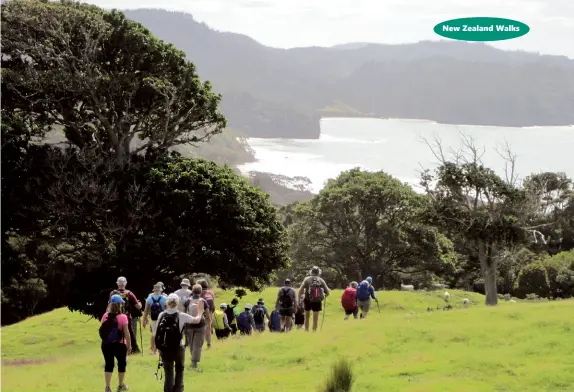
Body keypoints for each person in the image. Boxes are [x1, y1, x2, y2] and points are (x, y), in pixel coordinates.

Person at [155, 293, 203, 392]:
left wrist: (156, 347)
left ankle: (168, 390)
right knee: (179, 370)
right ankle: (178, 390)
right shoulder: (181, 315)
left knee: (168, 372)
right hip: (178, 347)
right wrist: (200, 312)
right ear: (178, 303)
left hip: (165, 348)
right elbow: (196, 321)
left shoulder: (161, 315)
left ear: (166, 303)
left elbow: (156, 333)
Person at [100, 294, 131, 392]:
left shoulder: (105, 315)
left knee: (108, 364)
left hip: (106, 344)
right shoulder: (123, 317)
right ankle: (121, 385)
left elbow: (104, 330)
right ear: (119, 304)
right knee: (122, 364)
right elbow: (126, 333)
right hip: (120, 344)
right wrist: (129, 346)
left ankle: (107, 387)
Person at [109, 276, 142, 354]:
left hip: (114, 316)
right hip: (126, 316)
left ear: (117, 283)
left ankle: (114, 349)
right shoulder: (129, 293)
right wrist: (140, 303)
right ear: (125, 283)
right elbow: (138, 307)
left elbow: (109, 304)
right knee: (129, 332)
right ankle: (134, 349)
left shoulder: (113, 293)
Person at [184, 284, 210, 370]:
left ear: (192, 291)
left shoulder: (188, 301)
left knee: (191, 343)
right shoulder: (203, 301)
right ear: (201, 291)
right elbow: (208, 315)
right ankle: (194, 362)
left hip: (189, 324)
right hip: (200, 324)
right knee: (198, 344)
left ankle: (193, 360)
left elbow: (184, 314)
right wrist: (209, 325)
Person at [298, 266, 331, 332]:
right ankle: (314, 331)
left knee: (307, 316)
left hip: (307, 300)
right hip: (317, 301)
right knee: (315, 317)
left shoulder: (307, 279)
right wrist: (322, 296)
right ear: (319, 272)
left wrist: (299, 300)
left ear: (311, 272)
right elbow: (327, 292)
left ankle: (306, 330)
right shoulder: (321, 280)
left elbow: (300, 290)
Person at [143, 283, 168, 354]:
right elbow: (167, 309)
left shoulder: (149, 299)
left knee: (154, 334)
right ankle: (161, 349)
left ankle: (153, 350)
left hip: (153, 318)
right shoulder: (165, 298)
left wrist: (144, 320)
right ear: (161, 290)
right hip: (163, 318)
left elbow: (146, 310)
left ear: (153, 290)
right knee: (162, 333)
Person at [197, 279, 215, 348]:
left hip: (201, 311)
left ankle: (199, 344)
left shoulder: (199, 292)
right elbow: (213, 302)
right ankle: (209, 344)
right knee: (208, 328)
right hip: (210, 311)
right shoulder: (211, 292)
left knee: (200, 328)